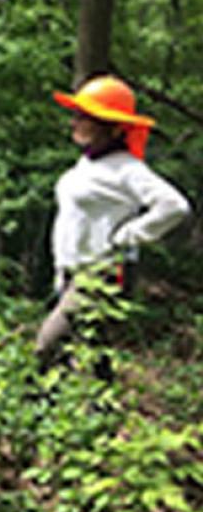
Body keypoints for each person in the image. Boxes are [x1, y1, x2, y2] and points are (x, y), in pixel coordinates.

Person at [36, 75, 191, 370]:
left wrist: (128, 236)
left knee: (48, 345)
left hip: (102, 273)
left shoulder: (128, 169)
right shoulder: (87, 164)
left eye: (85, 117)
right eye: (76, 115)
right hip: (72, 271)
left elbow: (174, 206)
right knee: (90, 352)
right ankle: (95, 411)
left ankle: (38, 406)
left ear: (113, 127)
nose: (74, 122)